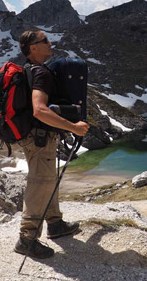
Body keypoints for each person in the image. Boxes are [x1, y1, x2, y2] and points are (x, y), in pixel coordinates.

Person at [14, 28, 90, 259]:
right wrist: (73, 127)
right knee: (40, 182)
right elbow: (39, 110)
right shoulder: (42, 74)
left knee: (48, 179)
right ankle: (27, 239)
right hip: (39, 137)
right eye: (44, 41)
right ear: (33, 48)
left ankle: (55, 223)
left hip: (31, 136)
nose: (50, 43)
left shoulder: (28, 69)